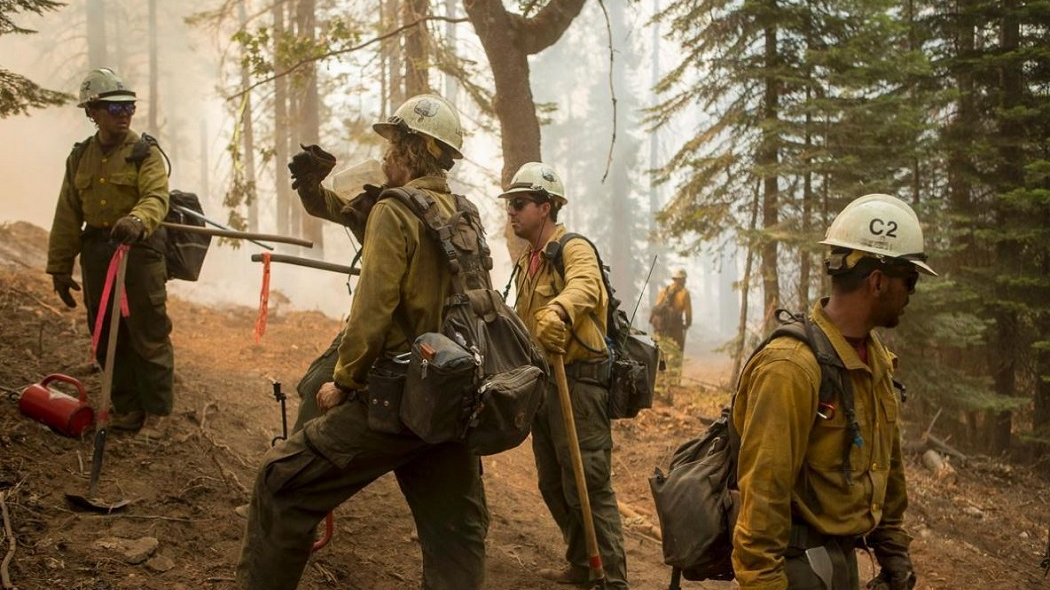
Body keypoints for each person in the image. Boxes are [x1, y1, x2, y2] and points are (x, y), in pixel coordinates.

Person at [237, 94, 489, 590]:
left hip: (395, 394)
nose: (387, 156)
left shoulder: (396, 212)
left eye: (395, 145)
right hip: (448, 398)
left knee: (280, 484)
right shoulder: (463, 215)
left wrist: (344, 381)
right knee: (457, 533)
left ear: (416, 149)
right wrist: (314, 187)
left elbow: (372, 312)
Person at [732, 194, 933, 590]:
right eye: (909, 280)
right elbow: (761, 508)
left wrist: (892, 549)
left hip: (839, 565)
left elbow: (885, 468)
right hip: (795, 570)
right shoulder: (791, 368)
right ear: (877, 282)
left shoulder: (875, 361)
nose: (911, 293)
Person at [502, 162, 629, 589]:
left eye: (520, 204)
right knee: (553, 482)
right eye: (509, 205)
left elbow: (587, 286)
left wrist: (558, 309)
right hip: (546, 385)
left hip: (579, 383)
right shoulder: (528, 261)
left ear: (545, 206)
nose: (512, 212)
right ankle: (580, 564)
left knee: (587, 484)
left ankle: (611, 580)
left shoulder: (572, 248)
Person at [46, 67, 174, 433]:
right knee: (103, 335)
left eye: (129, 108)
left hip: (140, 253)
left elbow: (156, 196)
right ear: (93, 112)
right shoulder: (80, 157)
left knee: (148, 333)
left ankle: (158, 413)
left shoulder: (143, 153)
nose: (124, 115)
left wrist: (137, 221)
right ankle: (127, 407)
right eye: (115, 109)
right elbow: (68, 212)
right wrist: (59, 268)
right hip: (98, 254)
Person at [649, 268, 692, 399]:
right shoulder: (684, 293)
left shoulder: (665, 291)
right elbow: (688, 312)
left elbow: (657, 307)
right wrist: (687, 324)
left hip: (661, 329)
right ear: (682, 280)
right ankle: (674, 381)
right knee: (676, 352)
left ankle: (660, 380)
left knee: (662, 352)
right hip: (676, 327)